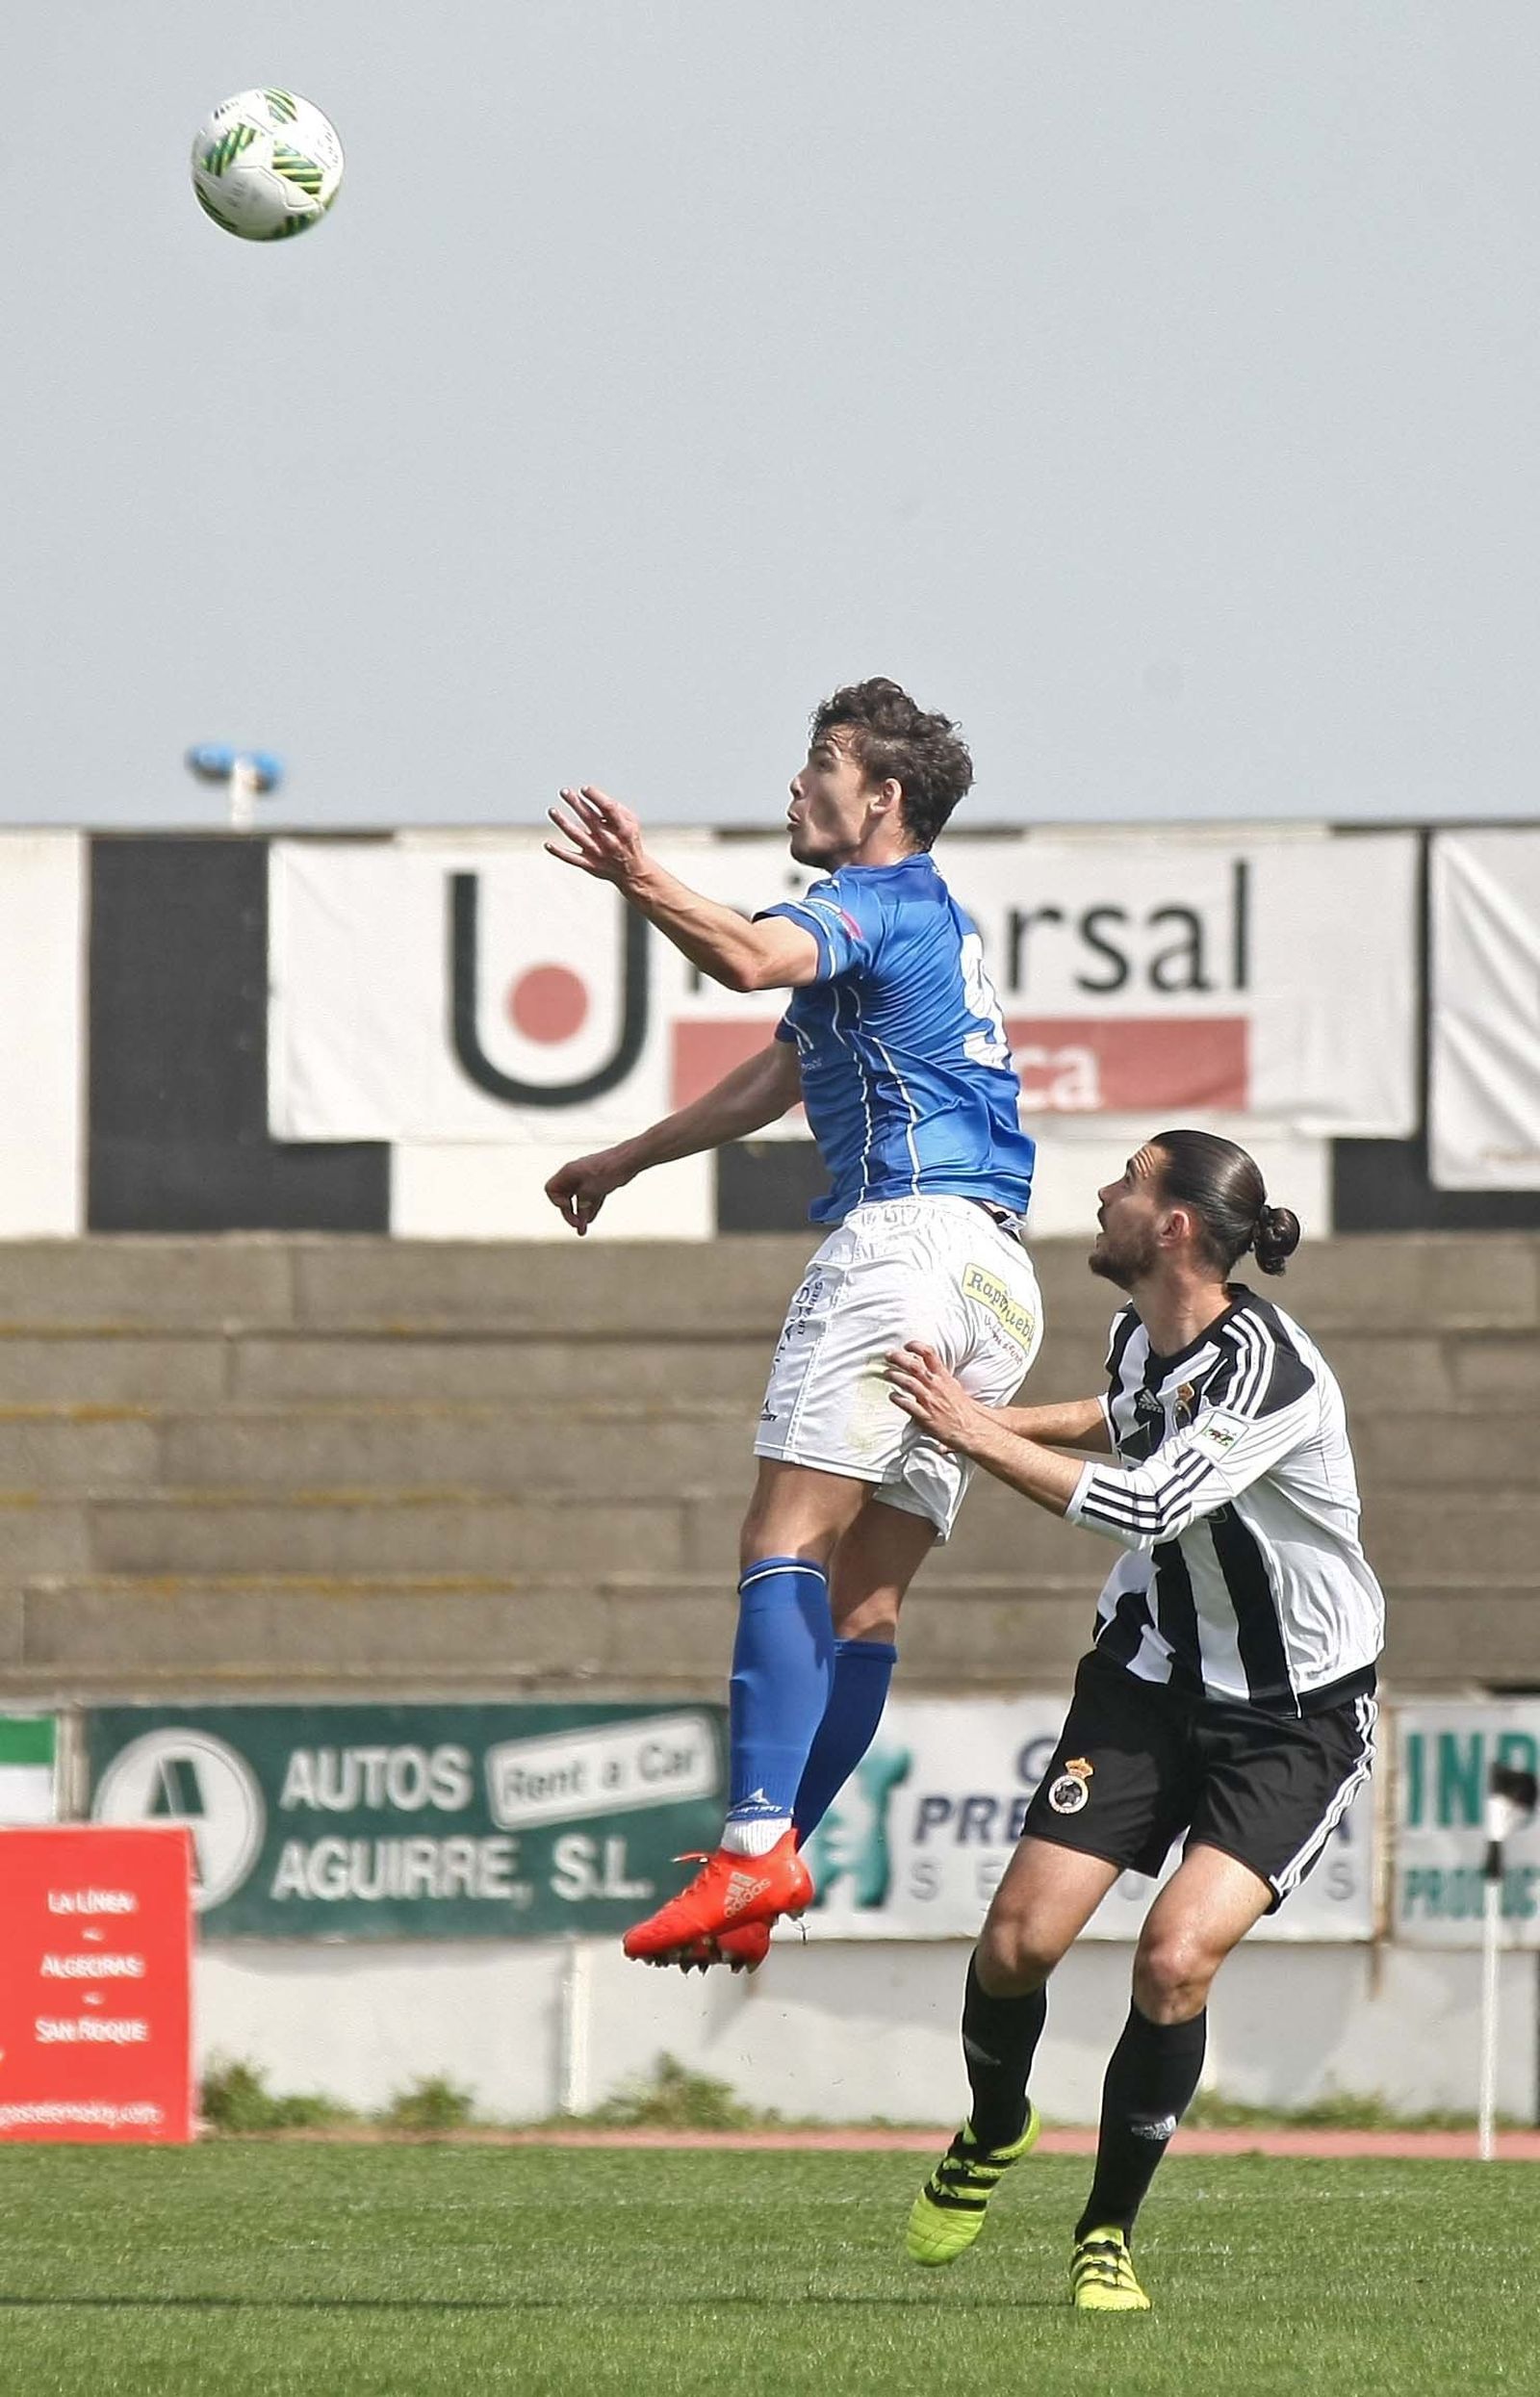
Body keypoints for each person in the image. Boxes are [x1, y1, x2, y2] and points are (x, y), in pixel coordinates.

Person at [544, 679, 1042, 1969]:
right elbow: (783, 1064)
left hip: (907, 1242)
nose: (794, 784)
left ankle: (751, 1846)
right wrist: (631, 1153)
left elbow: (753, 955)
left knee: (785, 1540)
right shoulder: (921, 926)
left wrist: (637, 876)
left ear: (882, 799)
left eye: (819, 762)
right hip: (998, 1279)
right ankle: (771, 1865)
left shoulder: (872, 899)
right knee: (865, 1600)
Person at [885, 1130, 1382, 2312]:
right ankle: (994, 2128)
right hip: (1150, 1677)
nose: (1102, 1194)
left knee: (1171, 1960)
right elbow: (1124, 1419)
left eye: (1126, 1179)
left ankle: (1104, 2233)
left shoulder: (1269, 1365)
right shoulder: (1138, 1334)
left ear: (1170, 1229)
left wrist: (970, 1432)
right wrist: (971, 1409)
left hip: (1292, 1715)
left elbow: (1152, 1502)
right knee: (1015, 1948)